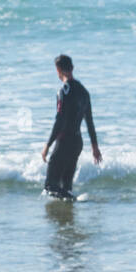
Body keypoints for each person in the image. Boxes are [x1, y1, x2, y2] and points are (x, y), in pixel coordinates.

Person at [41, 54, 101, 200]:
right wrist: (94, 147)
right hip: (77, 142)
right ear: (72, 68)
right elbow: (90, 122)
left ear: (58, 70)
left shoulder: (63, 91)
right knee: (66, 187)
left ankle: (72, 203)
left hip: (64, 142)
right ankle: (68, 216)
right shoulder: (84, 92)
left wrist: (47, 145)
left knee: (50, 186)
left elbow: (60, 120)